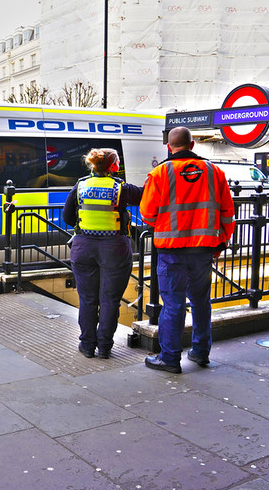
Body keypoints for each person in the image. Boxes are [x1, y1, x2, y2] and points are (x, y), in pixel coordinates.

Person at [139, 126, 235, 373]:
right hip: (204, 249)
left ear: (169, 147)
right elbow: (227, 213)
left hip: (172, 250)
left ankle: (170, 358)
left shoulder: (159, 173)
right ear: (192, 145)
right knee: (201, 301)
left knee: (173, 303)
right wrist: (221, 242)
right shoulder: (215, 172)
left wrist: (166, 224)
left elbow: (147, 213)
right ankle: (200, 352)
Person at [61, 148, 143, 359]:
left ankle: (87, 345)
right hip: (114, 248)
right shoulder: (122, 188)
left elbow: (68, 218)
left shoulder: (80, 185)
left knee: (87, 299)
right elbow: (146, 195)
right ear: (114, 166)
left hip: (83, 247)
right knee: (109, 300)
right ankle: (105, 347)